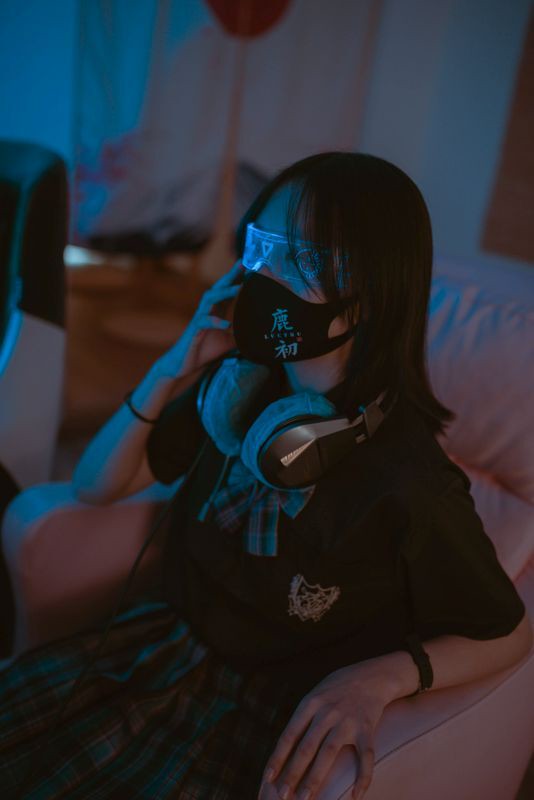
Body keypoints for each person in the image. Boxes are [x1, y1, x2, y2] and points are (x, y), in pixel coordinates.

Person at [0, 152, 530, 800]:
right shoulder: (240, 392)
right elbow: (95, 486)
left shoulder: (407, 479)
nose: (266, 275)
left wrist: (383, 678)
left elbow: (506, 629)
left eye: (301, 261)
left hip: (253, 713)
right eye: (262, 246)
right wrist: (175, 364)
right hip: (157, 650)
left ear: (370, 295)